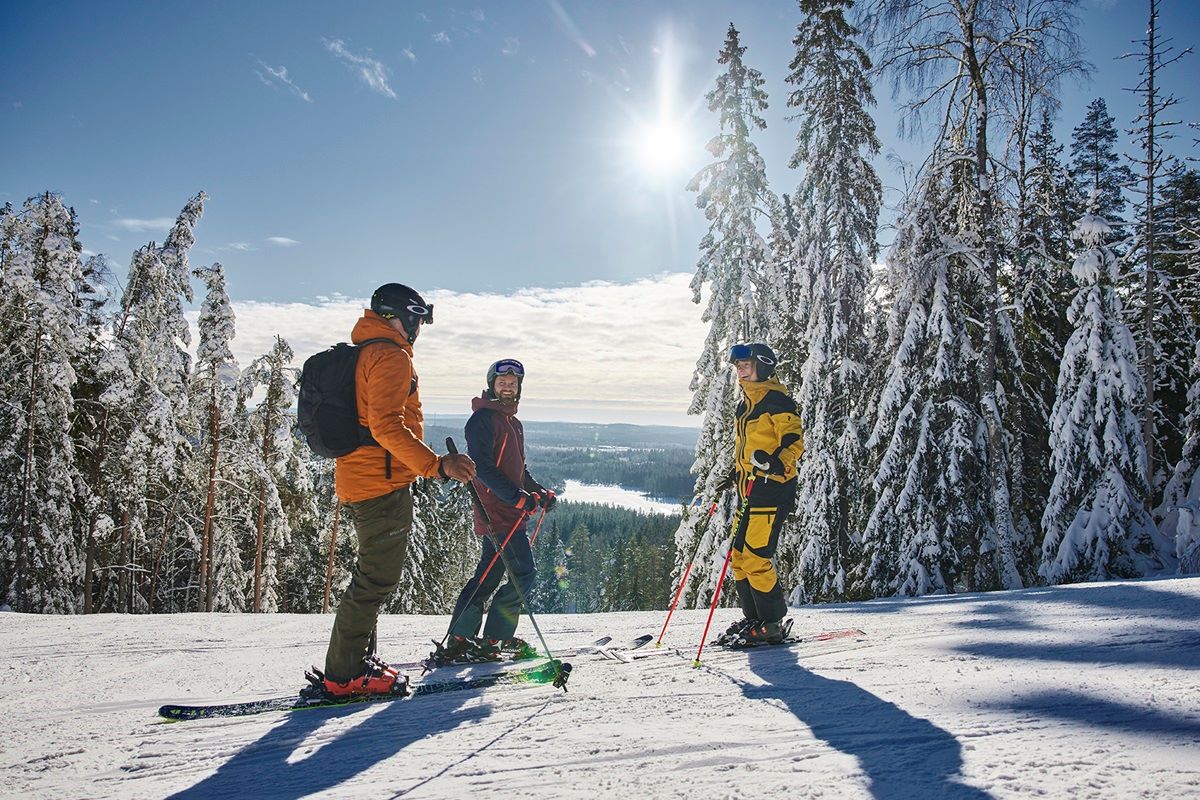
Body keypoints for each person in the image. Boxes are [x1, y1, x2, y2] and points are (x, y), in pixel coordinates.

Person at [319, 282, 476, 698]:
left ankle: (357, 664)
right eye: (418, 320)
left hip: (360, 477)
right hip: (379, 483)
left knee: (371, 575)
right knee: (375, 579)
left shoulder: (365, 352)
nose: (419, 330)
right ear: (401, 317)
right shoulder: (390, 356)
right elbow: (386, 426)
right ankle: (344, 676)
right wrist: (435, 466)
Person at [442, 358, 555, 662]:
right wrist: (517, 499)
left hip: (505, 510)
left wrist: (537, 492)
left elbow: (520, 470)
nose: (508, 386)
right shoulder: (482, 420)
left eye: (513, 382)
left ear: (519, 387)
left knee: (489, 575)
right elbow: (483, 469)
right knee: (524, 574)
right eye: (502, 381)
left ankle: (460, 637)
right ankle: (496, 638)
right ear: (492, 384)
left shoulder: (511, 423)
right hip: (497, 511)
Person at [717, 342, 804, 646]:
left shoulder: (777, 401)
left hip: (772, 490)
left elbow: (793, 442)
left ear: (763, 366)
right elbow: (750, 450)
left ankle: (772, 623)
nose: (740, 370)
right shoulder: (747, 404)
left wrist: (775, 462)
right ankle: (754, 617)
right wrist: (735, 473)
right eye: (738, 366)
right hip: (749, 489)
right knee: (739, 557)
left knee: (756, 556)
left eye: (747, 365)